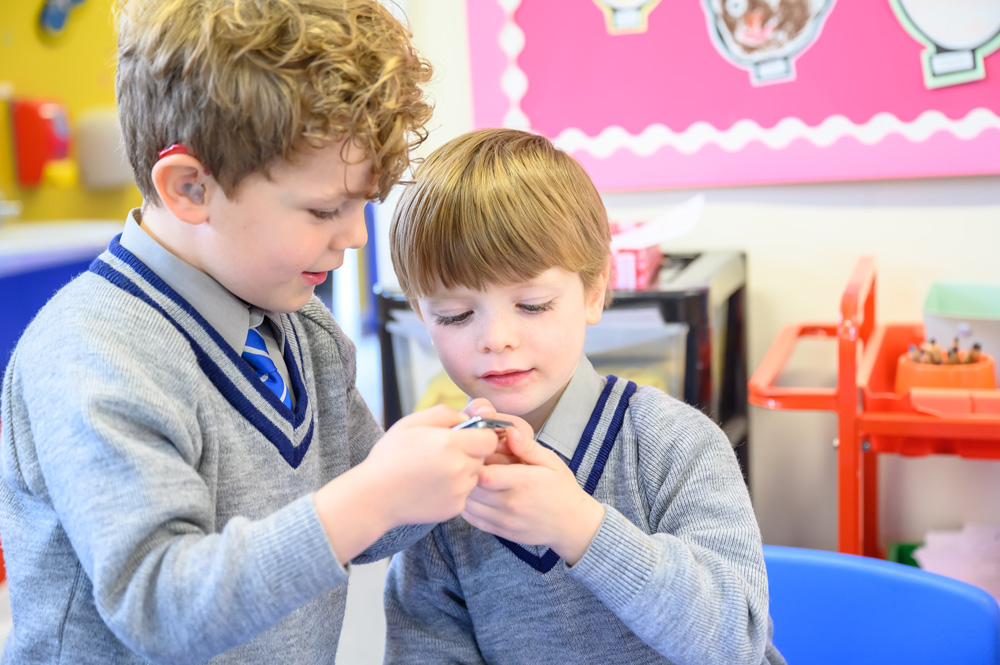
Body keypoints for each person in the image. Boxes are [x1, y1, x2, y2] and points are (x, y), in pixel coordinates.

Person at [0, 2, 508, 663]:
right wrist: (375, 493)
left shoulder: (305, 328)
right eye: (326, 208)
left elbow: (357, 521)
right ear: (190, 188)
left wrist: (428, 473)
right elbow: (160, 606)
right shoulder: (89, 355)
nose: (356, 235)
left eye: (363, 204)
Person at [384, 128, 786, 665]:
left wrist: (579, 527)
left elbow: (735, 641)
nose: (496, 338)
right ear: (421, 317)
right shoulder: (441, 492)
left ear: (594, 291)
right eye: (455, 315)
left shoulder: (673, 444)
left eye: (533, 305)